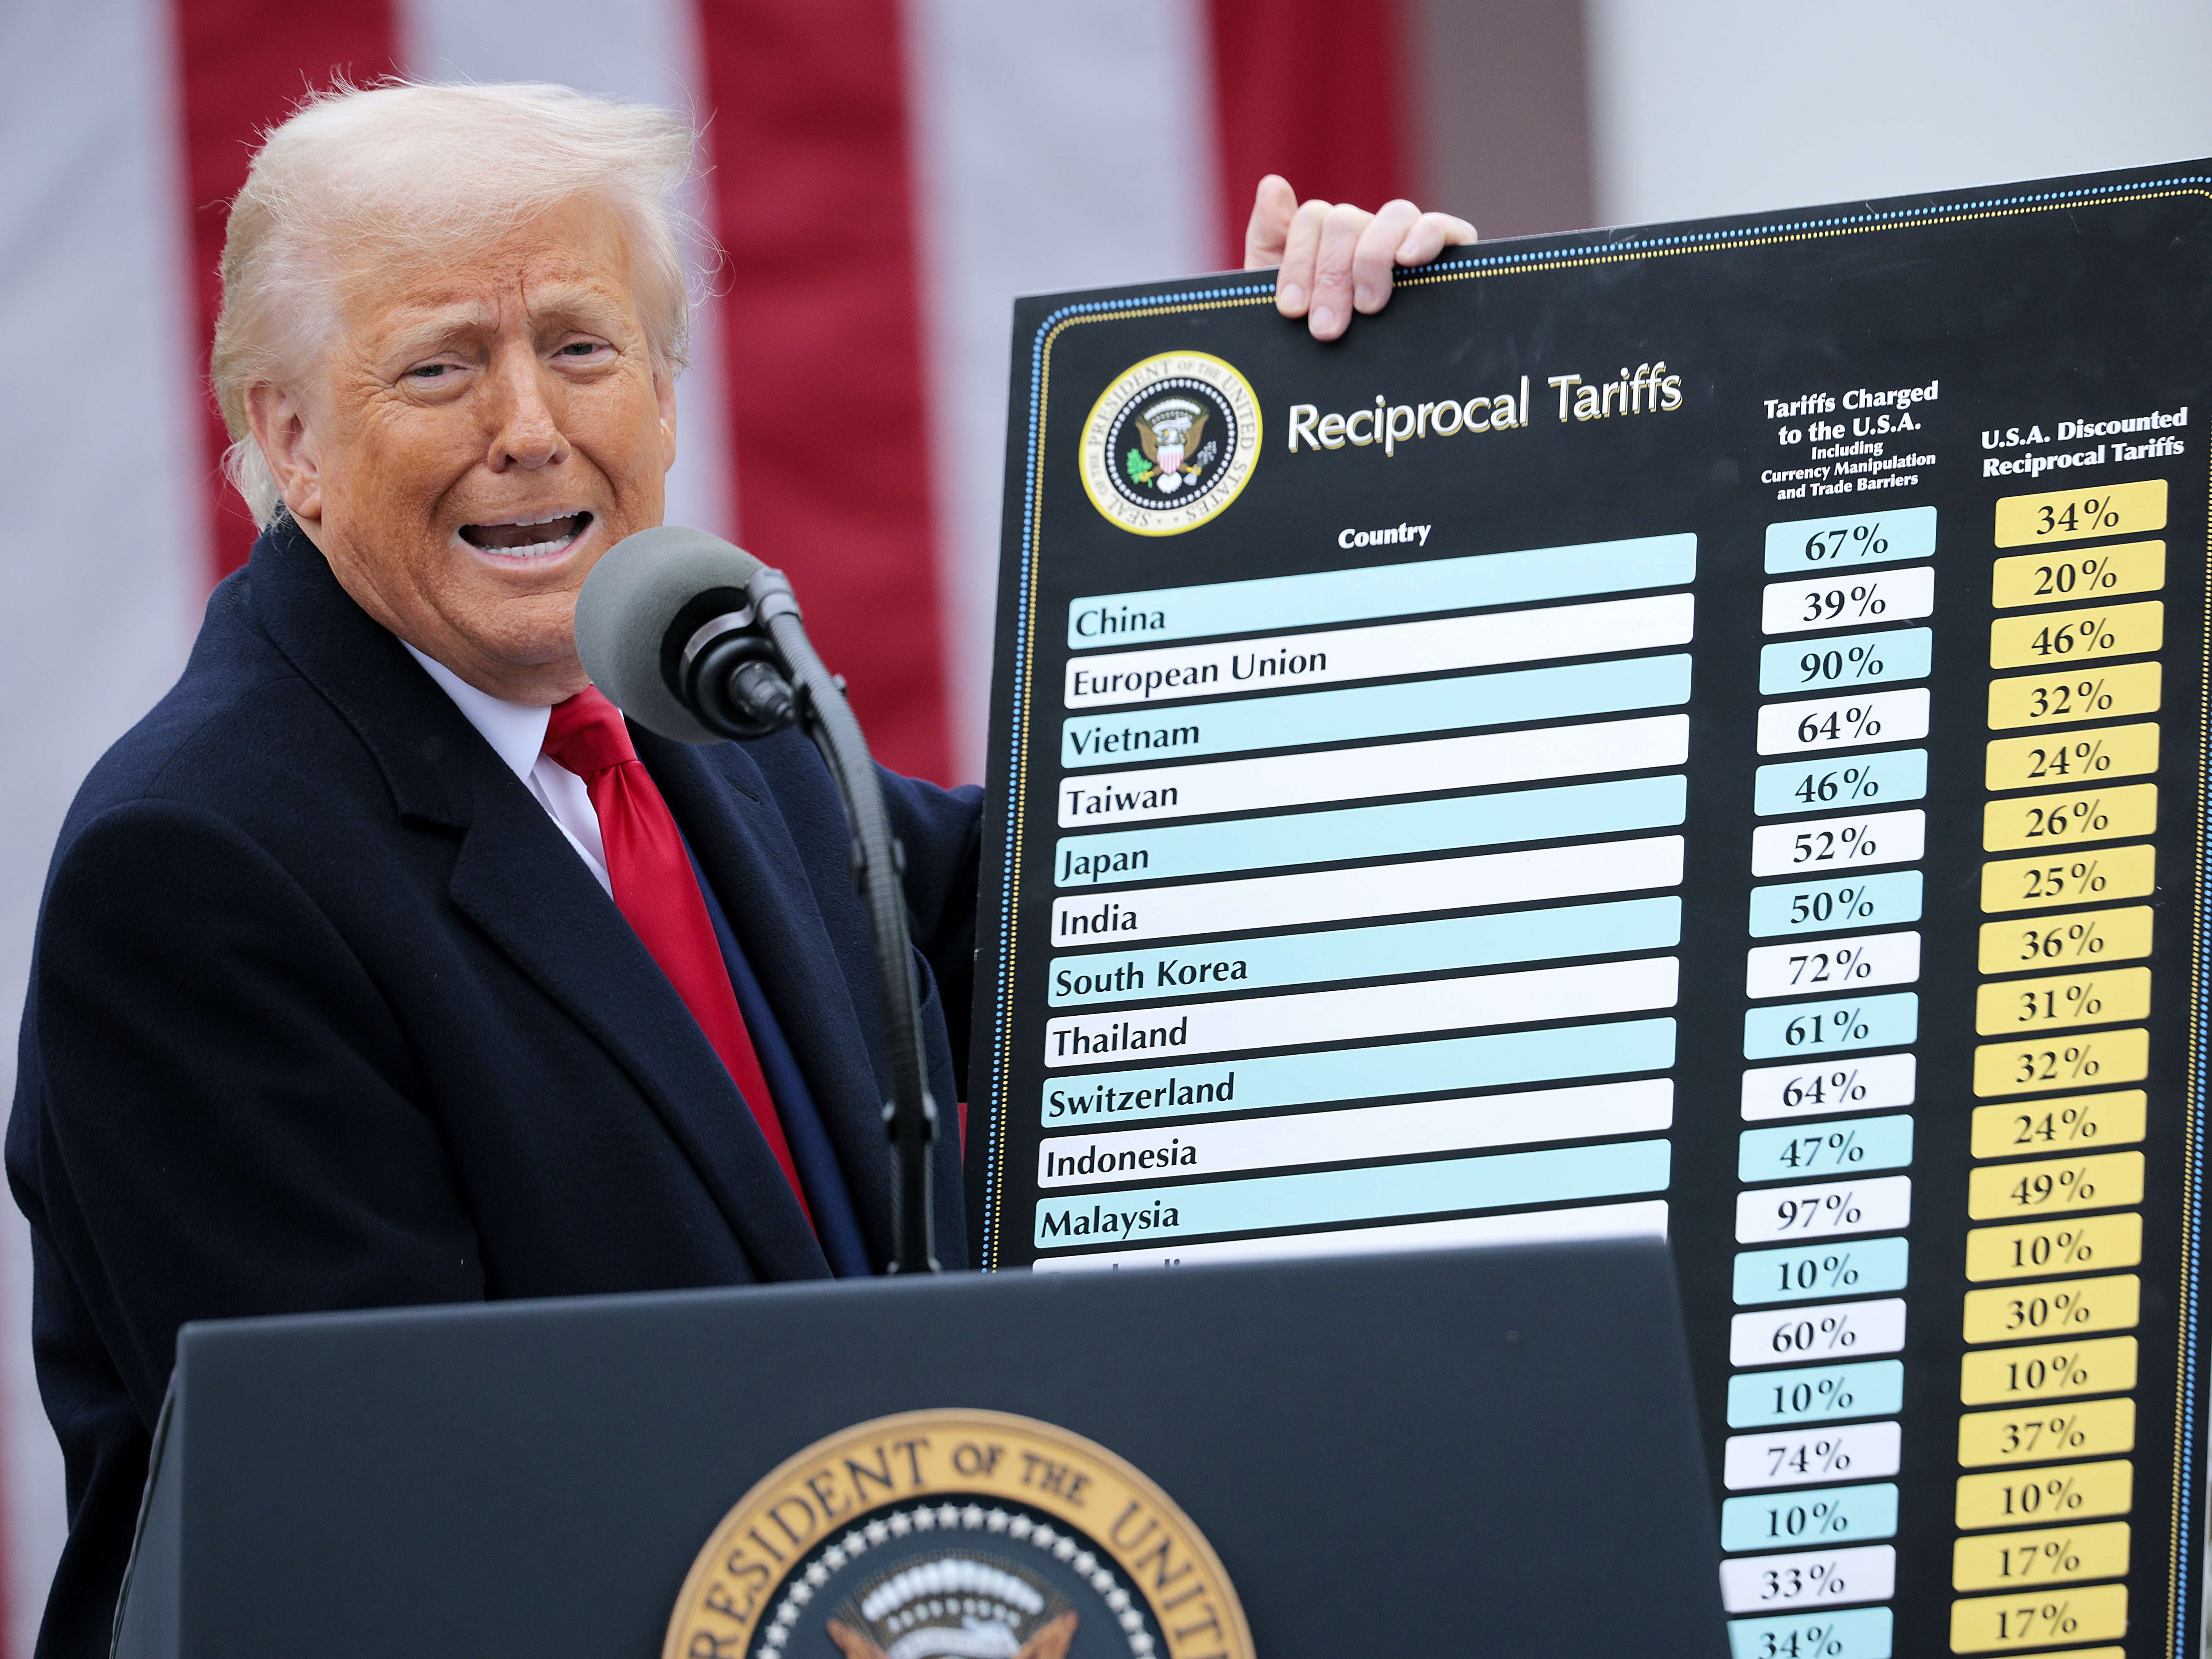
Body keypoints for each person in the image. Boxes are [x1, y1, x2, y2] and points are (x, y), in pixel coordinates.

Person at [6, 81, 1475, 1654]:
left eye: (581, 347)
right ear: (289, 438)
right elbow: (390, 1524)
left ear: (666, 392)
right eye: (439, 367)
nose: (529, 428)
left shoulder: (708, 704)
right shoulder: (199, 867)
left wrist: (1341, 436)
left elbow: (1113, 927)